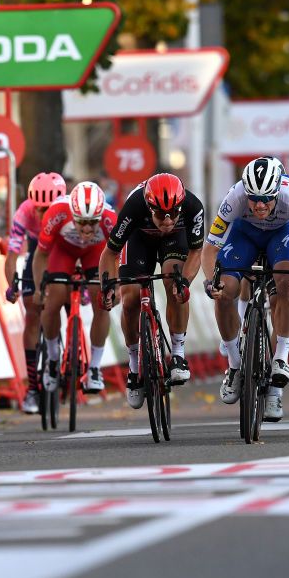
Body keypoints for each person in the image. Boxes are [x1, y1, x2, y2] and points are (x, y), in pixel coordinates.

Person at [202, 157, 289, 422]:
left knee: (287, 286)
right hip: (244, 235)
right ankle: (234, 366)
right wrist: (211, 282)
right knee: (225, 290)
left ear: (278, 191)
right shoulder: (235, 196)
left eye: (267, 198)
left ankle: (279, 362)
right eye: (254, 199)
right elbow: (210, 248)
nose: (260, 205)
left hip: (281, 235)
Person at [99, 173, 204, 409]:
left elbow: (197, 252)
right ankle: (134, 366)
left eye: (173, 214)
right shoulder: (135, 205)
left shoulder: (192, 206)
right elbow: (110, 253)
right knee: (130, 298)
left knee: (174, 282)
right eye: (160, 214)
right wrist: (108, 284)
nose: (167, 220)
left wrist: (185, 282)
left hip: (175, 240)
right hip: (140, 239)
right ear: (149, 206)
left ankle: (178, 353)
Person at [32, 181, 115, 394]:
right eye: (81, 222)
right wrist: (40, 289)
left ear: (100, 216)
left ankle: (95, 368)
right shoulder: (57, 213)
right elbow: (40, 255)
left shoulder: (110, 219)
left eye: (92, 223)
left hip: (95, 253)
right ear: (73, 214)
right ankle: (52, 358)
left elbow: (119, 259)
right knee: (53, 301)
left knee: (102, 302)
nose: (87, 228)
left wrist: (117, 288)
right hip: (63, 252)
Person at [5, 171, 67, 414]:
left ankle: (72, 359)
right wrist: (13, 285)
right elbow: (12, 256)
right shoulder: (23, 212)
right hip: (37, 249)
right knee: (32, 314)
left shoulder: (69, 209)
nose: (43, 214)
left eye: (48, 208)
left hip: (64, 246)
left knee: (69, 296)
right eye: (39, 209)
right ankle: (32, 388)